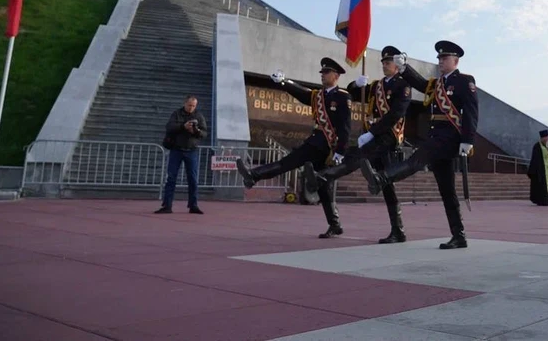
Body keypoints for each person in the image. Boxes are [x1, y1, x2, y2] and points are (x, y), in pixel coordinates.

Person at [360, 40, 477, 250]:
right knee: (447, 190)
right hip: (437, 137)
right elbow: (421, 84)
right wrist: (404, 68)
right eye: (439, 58)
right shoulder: (437, 84)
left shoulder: (464, 81)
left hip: (449, 138)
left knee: (417, 158)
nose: (441, 61)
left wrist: (468, 140)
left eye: (445, 58)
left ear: (456, 61)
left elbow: (471, 112)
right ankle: (459, 235)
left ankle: (381, 178)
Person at [305, 46, 412, 244]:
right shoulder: (377, 85)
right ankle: (398, 230)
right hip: (374, 136)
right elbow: (353, 92)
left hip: (388, 136)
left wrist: (373, 132)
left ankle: (322, 177)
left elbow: (396, 113)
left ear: (396, 66)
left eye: (388, 63)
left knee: (356, 156)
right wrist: (356, 83)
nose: (384, 66)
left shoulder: (403, 86)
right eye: (383, 63)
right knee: (387, 184)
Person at [235, 57, 351, 238]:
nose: (322, 76)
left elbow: (345, 126)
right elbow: (302, 93)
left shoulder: (343, 97)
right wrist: (284, 82)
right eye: (321, 73)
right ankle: (335, 224)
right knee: (324, 188)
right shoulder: (318, 96)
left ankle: (254, 175)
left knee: (288, 163)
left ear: (335, 76)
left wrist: (340, 151)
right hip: (316, 141)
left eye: (326, 73)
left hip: (326, 145)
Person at [157, 95, 208, 215]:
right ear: (185, 103)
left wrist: (196, 131)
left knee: (193, 179)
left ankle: (193, 205)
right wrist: (183, 126)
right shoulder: (176, 114)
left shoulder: (199, 116)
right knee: (171, 178)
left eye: (194, 106)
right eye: (190, 105)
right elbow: (169, 127)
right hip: (176, 149)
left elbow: (205, 133)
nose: (191, 108)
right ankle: (167, 205)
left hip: (192, 150)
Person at [528, 130, 548, 206]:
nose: (546, 139)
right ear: (541, 138)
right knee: (542, 186)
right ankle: (541, 201)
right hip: (541, 170)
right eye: (544, 138)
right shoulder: (536, 146)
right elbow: (534, 159)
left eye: (547, 137)